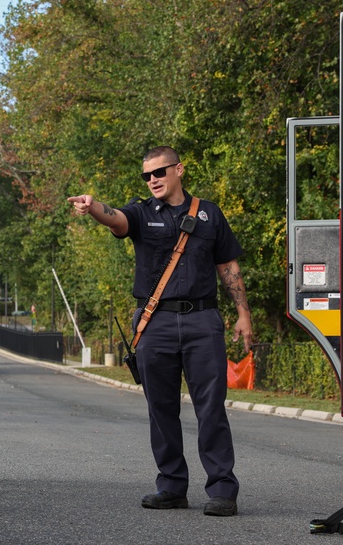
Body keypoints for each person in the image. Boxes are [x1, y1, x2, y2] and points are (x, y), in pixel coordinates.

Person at [67, 145, 253, 517]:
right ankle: (171, 485)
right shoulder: (141, 212)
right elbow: (116, 218)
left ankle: (222, 490)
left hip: (203, 321)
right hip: (156, 324)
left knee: (211, 409)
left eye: (159, 172)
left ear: (179, 170)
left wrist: (243, 314)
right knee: (161, 409)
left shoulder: (209, 213)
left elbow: (228, 266)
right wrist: (94, 207)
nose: (152, 180)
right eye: (146, 175)